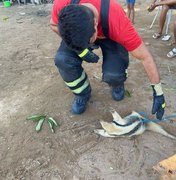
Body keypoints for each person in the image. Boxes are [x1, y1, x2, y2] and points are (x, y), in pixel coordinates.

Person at [50, 0, 165, 120]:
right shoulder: (62, 4)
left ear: (95, 23)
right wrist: (80, 50)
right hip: (78, 35)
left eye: (88, 42)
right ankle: (82, 93)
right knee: (63, 60)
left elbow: (145, 57)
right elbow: (53, 25)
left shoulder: (116, 19)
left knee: (114, 75)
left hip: (110, 35)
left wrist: (158, 92)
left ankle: (117, 83)